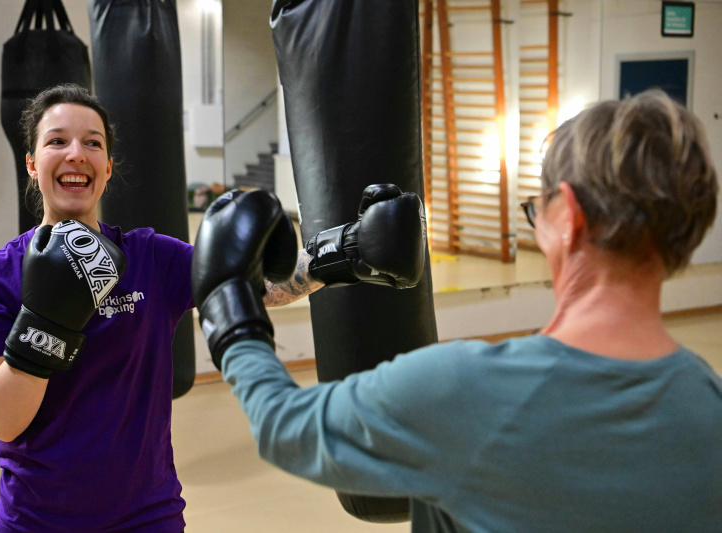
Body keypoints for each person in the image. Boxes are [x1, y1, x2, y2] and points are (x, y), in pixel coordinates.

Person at [192, 89, 721, 532]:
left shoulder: (466, 390)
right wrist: (335, 255)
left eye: (539, 204)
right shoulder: (708, 402)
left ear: (570, 216)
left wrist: (228, 312)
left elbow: (284, 426)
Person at [0, 83, 426, 532]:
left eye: (93, 143)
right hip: (35, 521)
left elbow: (256, 284)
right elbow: (2, 420)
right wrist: (47, 320)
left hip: (146, 517)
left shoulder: (152, 257)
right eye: (57, 141)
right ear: (31, 163)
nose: (76, 154)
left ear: (107, 167)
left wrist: (343, 251)